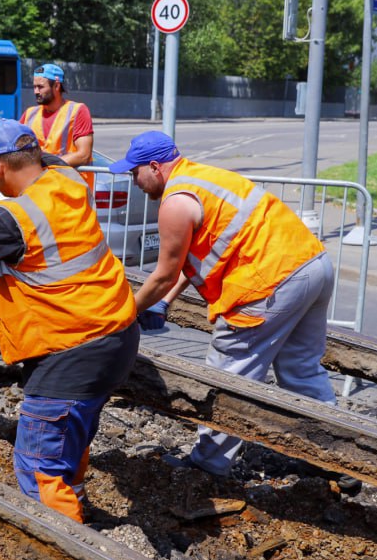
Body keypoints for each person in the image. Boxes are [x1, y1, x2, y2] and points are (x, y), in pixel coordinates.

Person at [0, 67, 142, 523]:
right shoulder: (64, 179)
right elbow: (1, 138)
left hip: (71, 351)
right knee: (69, 445)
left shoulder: (12, 219)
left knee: (38, 469)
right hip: (116, 335)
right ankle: (78, 512)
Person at [112, 131, 336, 478]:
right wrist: (164, 304)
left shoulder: (176, 201)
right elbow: (201, 254)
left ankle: (208, 465)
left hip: (269, 282)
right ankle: (337, 459)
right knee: (301, 368)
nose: (133, 181)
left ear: (154, 167)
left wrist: (127, 312)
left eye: (134, 172)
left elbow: (162, 275)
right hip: (311, 265)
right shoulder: (204, 178)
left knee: (228, 373)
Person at [21, 63, 95, 187]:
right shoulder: (29, 114)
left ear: (56, 86)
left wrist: (44, 167)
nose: (36, 91)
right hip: (41, 191)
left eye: (40, 87)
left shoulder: (78, 111)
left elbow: (84, 155)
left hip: (70, 193)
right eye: (34, 87)